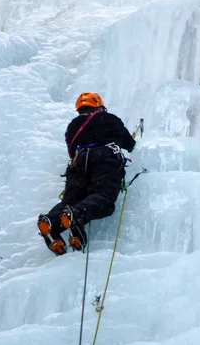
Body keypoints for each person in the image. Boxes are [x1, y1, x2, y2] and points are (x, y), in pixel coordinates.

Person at [37, 92, 136, 255]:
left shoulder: (73, 125)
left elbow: (70, 149)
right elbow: (130, 144)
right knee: (104, 197)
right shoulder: (109, 119)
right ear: (99, 106)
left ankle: (51, 221)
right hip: (104, 158)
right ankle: (76, 216)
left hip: (78, 162)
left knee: (70, 200)